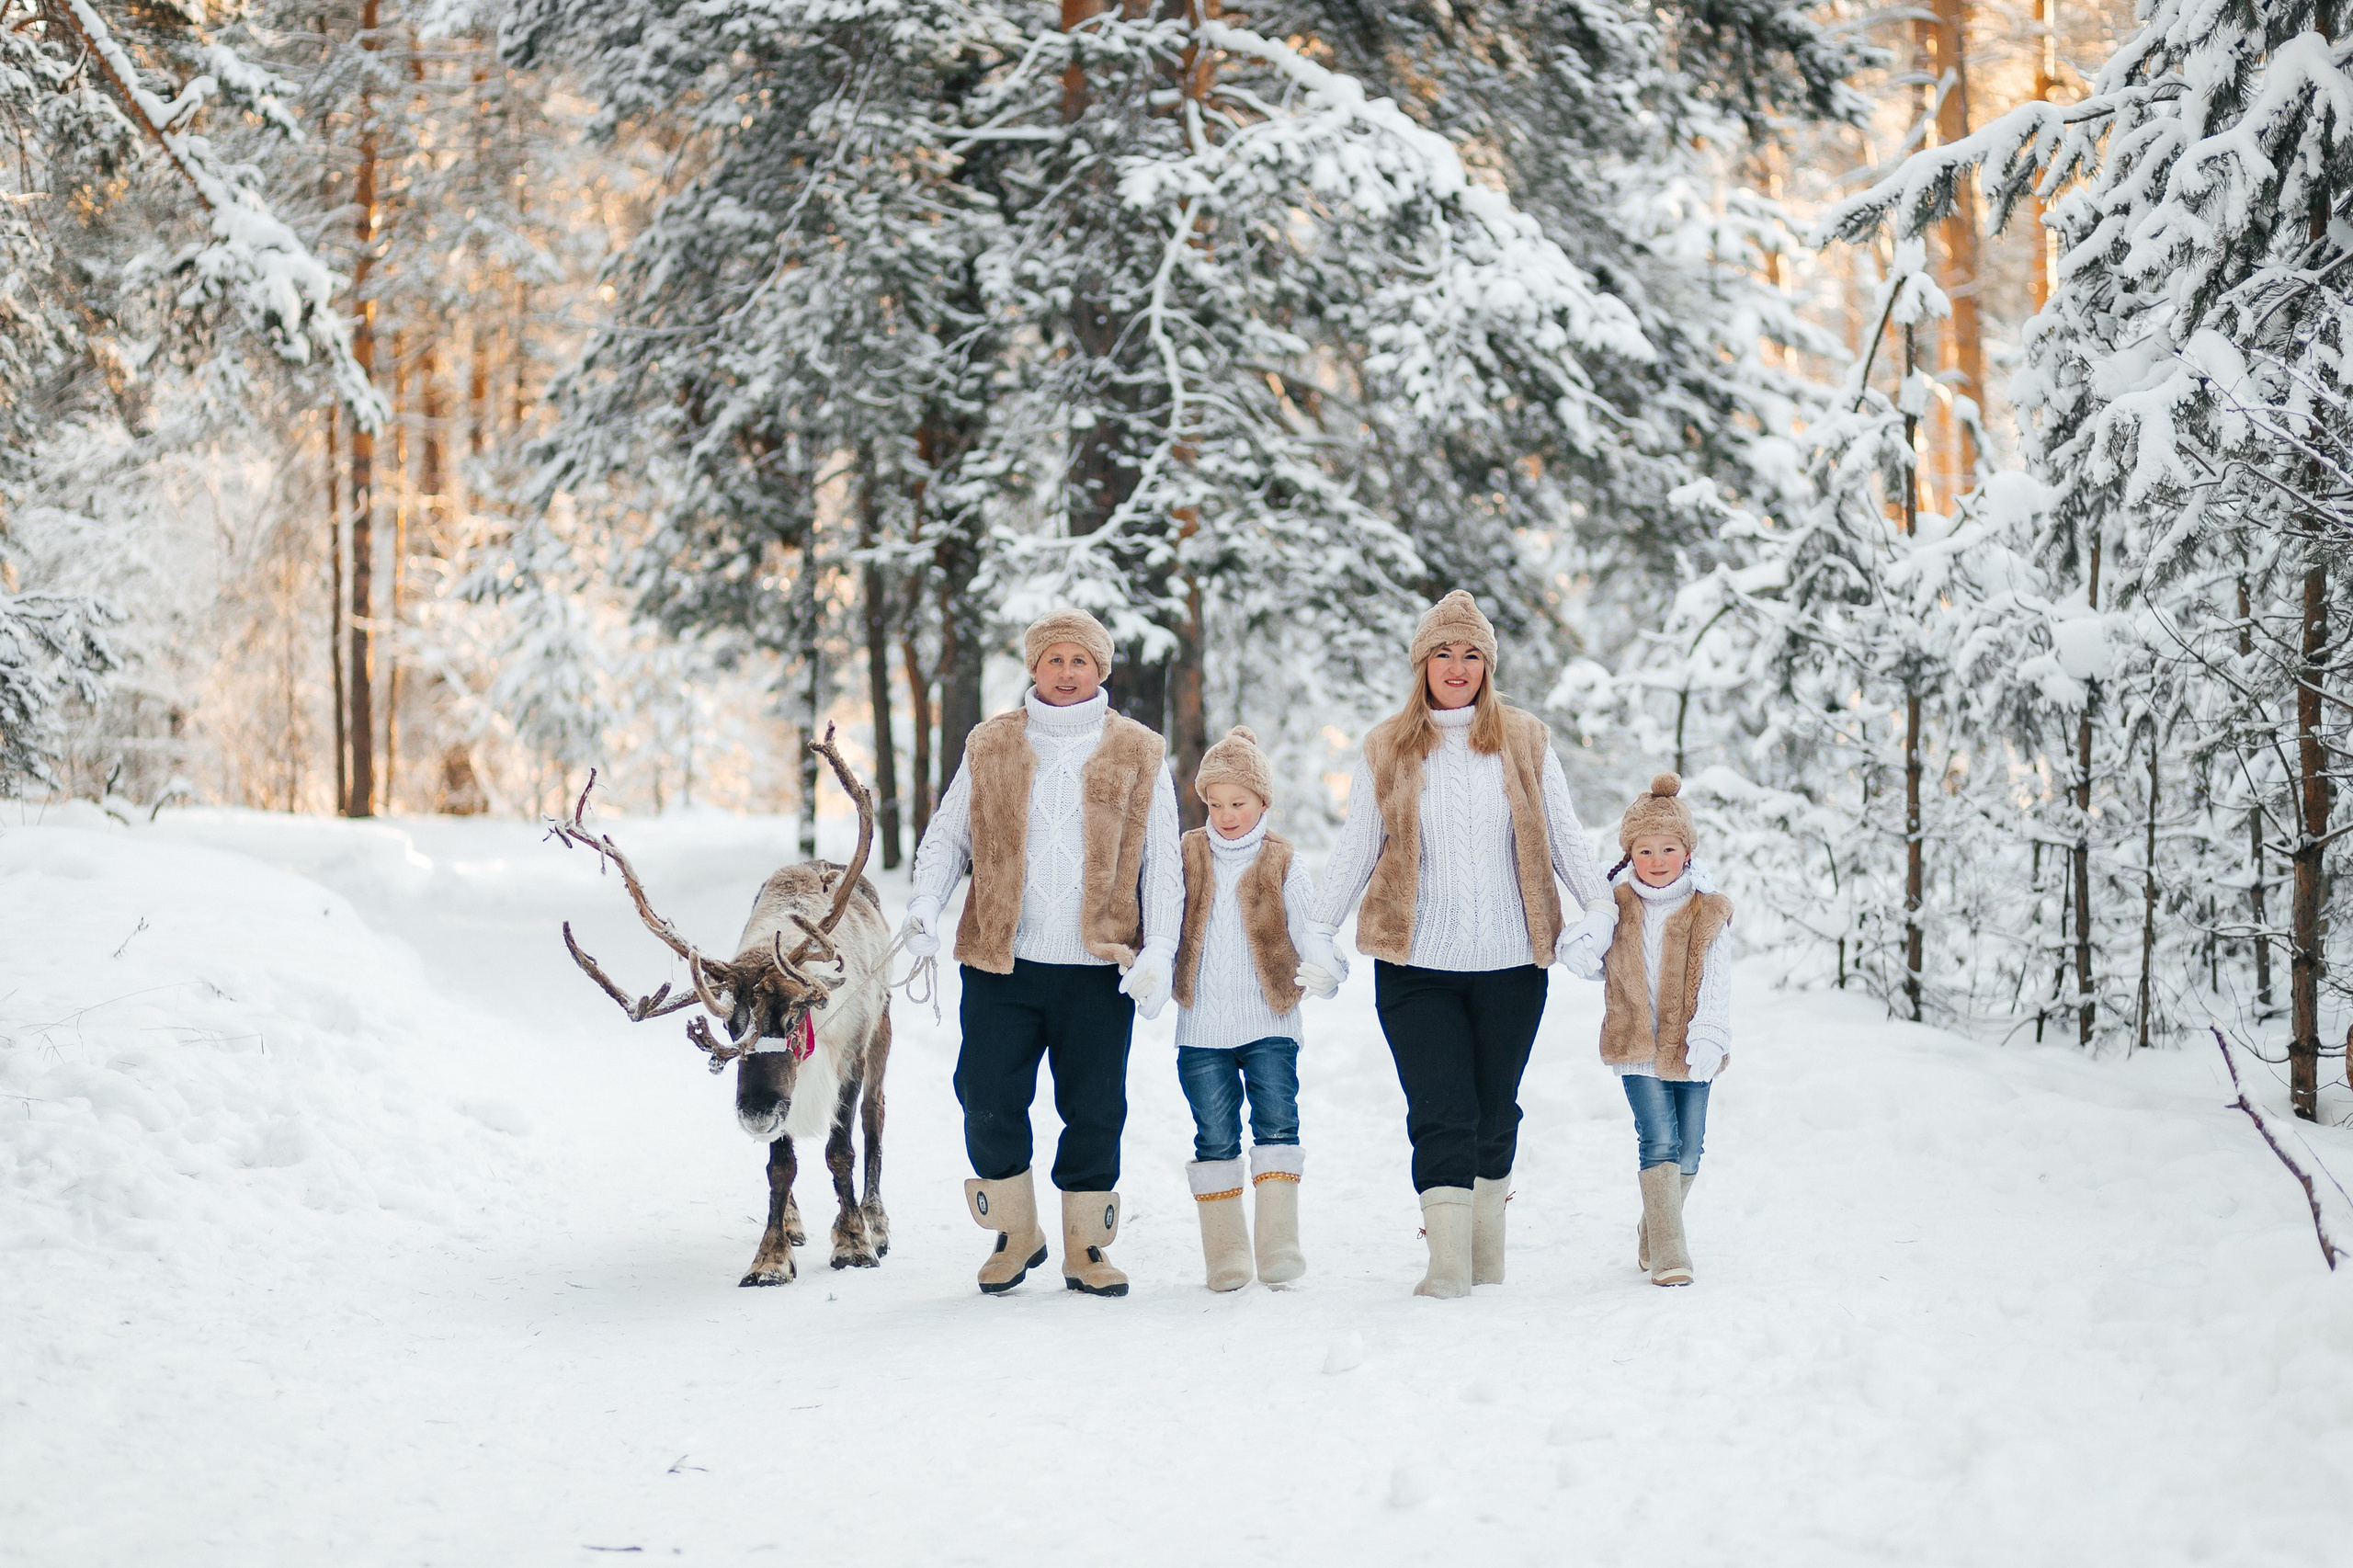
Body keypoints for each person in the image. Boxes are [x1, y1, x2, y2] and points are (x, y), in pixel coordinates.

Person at [1302, 591, 1609, 1298]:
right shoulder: (1388, 746)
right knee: (1442, 1107)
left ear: (1488, 666)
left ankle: (1484, 1248)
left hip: (1510, 962)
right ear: (1422, 663)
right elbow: (1357, 847)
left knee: (1496, 1107)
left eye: (1471, 654)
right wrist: (1319, 928)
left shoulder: (1525, 739)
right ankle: (1446, 1262)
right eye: (1444, 652)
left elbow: (1563, 832)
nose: (1458, 666)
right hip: (1415, 966)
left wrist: (1597, 905)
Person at [901, 609, 1181, 1298]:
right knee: (986, 1096)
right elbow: (947, 838)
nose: (1065, 673)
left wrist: (1161, 952)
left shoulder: (1139, 750)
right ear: (1033, 667)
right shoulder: (991, 744)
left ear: (1100, 669)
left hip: (1096, 967)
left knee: (1095, 1107)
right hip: (1002, 961)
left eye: (1078, 661)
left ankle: (1087, 1247)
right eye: (1052, 660)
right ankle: (1015, 1233)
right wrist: (922, 904)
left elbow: (1163, 864)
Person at [1170, 725, 1340, 1291]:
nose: (1225, 815)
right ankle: (1227, 1254)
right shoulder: (1188, 853)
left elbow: (1308, 924)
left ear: (1263, 802)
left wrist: (1327, 968)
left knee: (1276, 1123)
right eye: (1214, 804)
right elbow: (1165, 916)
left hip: (1269, 1020)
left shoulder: (1282, 861)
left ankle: (1278, 1245)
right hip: (1201, 1027)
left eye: (1238, 803)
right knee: (1213, 1134)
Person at [1556, 773, 1733, 1287]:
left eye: (1669, 848)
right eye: (1645, 850)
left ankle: (1654, 1227)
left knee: (1691, 1146)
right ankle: (1671, 1253)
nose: (1657, 860)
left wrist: (1711, 1032)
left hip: (1691, 1043)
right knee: (1658, 1140)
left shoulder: (1708, 909)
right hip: (1636, 1044)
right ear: (1630, 854)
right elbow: (1594, 966)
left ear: (1687, 851)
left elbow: (1718, 980)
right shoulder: (1617, 907)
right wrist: (1581, 945)